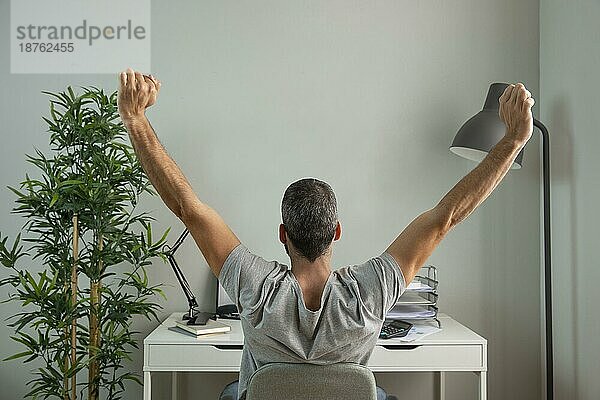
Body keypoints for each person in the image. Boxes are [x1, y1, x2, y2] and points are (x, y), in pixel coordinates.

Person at [117, 68, 534, 400]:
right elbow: (447, 217)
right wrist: (513, 138)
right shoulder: (369, 291)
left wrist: (135, 118)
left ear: (283, 234)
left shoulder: (254, 287)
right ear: (336, 231)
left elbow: (187, 208)